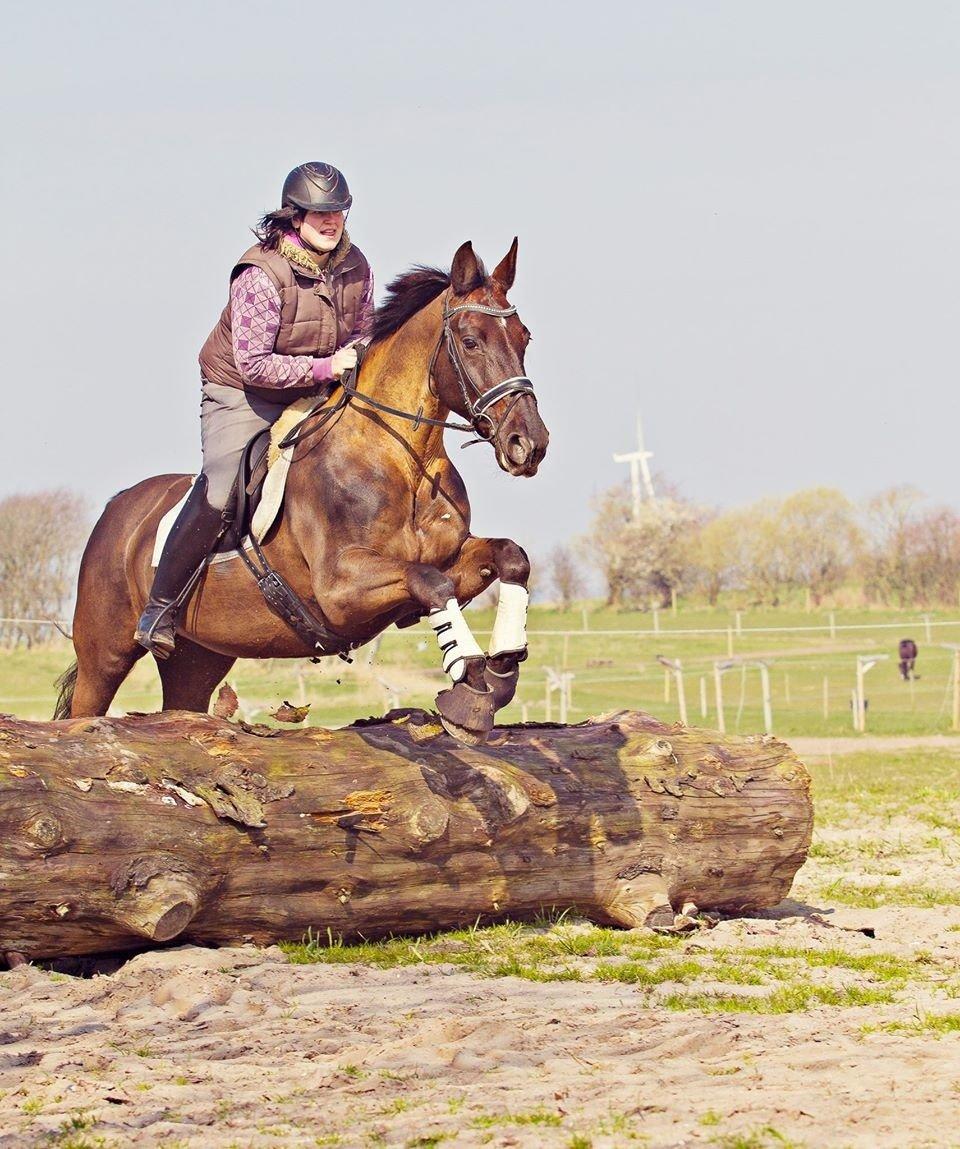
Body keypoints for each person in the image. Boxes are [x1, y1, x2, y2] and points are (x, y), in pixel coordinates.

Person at [134, 161, 374, 658]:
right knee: (224, 488)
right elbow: (254, 364)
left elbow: (363, 332)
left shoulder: (356, 266)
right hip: (242, 392)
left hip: (316, 385)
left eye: (339, 212)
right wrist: (326, 368)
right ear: (295, 216)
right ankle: (160, 606)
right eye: (320, 213)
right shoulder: (260, 274)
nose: (332, 221)